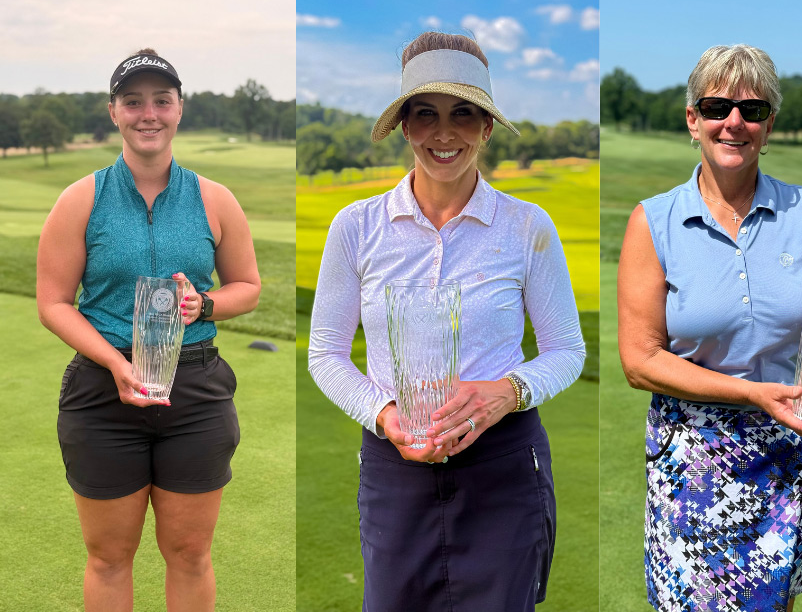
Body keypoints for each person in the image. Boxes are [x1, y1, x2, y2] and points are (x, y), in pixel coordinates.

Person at [307, 31, 586, 611]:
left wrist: (506, 393)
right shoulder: (355, 227)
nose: (444, 132)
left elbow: (567, 350)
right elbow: (326, 355)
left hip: (504, 468)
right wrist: (384, 415)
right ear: (405, 126)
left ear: (486, 127)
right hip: (394, 468)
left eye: (464, 113)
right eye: (426, 114)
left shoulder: (527, 226)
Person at [617, 44, 802, 612]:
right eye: (716, 107)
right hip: (693, 460)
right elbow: (640, 361)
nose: (733, 122)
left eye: (752, 110)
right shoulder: (653, 221)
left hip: (792, 450)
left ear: (769, 125)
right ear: (693, 120)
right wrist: (752, 393)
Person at [36, 49, 260, 611]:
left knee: (189, 553)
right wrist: (114, 363)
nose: (148, 114)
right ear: (114, 111)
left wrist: (203, 304)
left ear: (180, 109)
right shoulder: (80, 200)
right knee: (109, 557)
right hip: (102, 390)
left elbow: (248, 288)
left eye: (162, 100)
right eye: (133, 102)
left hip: (195, 391)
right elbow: (54, 303)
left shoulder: (215, 199)